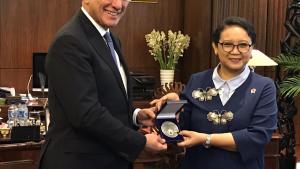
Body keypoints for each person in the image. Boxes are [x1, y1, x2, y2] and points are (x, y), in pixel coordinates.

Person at [39, 0, 167, 169]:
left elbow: (106, 99)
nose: (118, 5)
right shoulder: (69, 41)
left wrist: (136, 115)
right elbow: (86, 114)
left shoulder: (111, 38)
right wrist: (141, 141)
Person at [151, 16, 278, 169]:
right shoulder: (197, 80)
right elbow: (177, 128)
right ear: (215, 47)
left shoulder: (264, 86)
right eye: (227, 44)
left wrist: (206, 139)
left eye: (243, 45)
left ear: (251, 50)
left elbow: (258, 137)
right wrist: (172, 104)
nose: (235, 51)